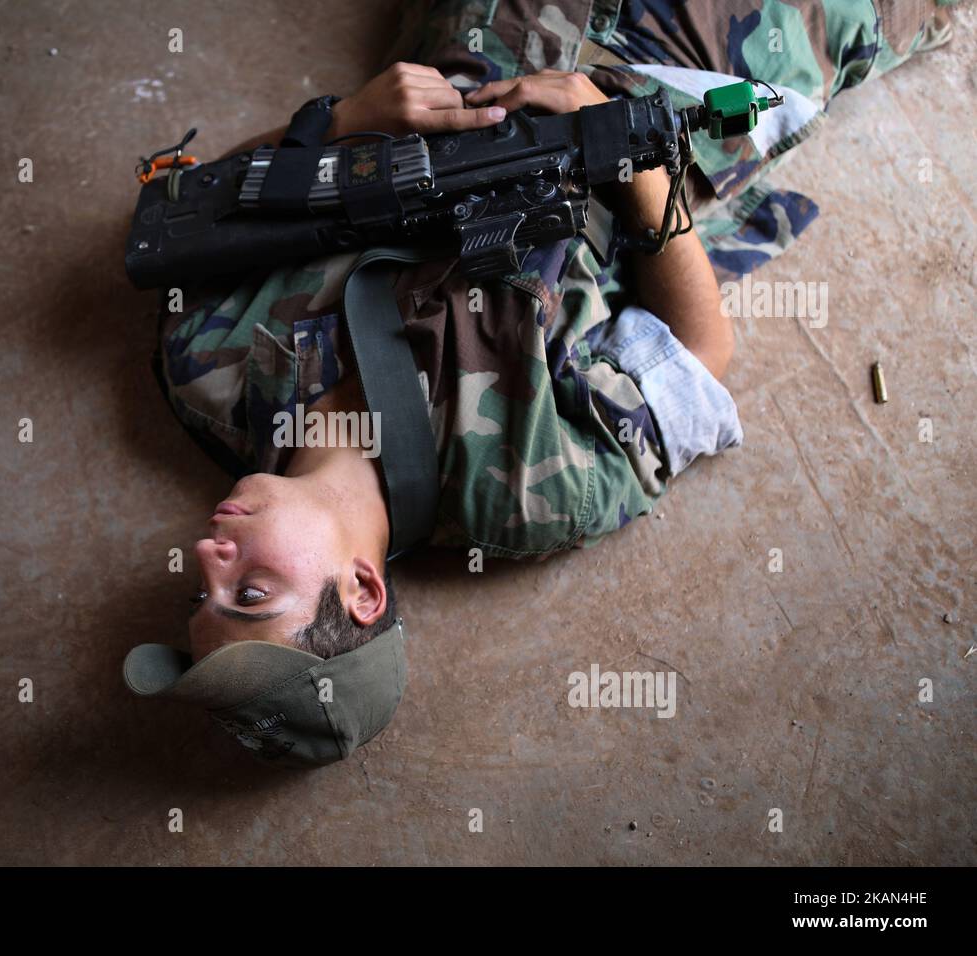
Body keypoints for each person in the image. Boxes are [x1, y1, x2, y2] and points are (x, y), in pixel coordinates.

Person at [123, 0, 956, 766]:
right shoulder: (528, 494)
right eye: (251, 590)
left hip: (480, 26)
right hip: (680, 57)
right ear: (364, 590)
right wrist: (620, 148)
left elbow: (192, 210)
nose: (207, 552)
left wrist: (337, 122)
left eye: (206, 587)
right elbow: (700, 352)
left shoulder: (207, 375)